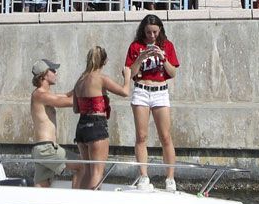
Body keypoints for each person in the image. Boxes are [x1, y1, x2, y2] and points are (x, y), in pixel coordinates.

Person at [126, 13, 180, 191]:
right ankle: (143, 175)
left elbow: (172, 73)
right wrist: (140, 58)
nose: (152, 36)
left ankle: (170, 178)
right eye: (148, 32)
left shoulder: (167, 45)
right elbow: (131, 73)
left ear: (160, 31)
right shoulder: (136, 46)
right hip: (141, 91)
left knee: (165, 136)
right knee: (141, 136)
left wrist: (163, 58)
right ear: (143, 31)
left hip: (160, 92)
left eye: (155, 32)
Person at [70, 45, 129, 190]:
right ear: (105, 61)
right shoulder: (101, 78)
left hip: (82, 127)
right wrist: (127, 76)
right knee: (97, 171)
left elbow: (76, 109)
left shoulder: (80, 81)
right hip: (97, 126)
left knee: (87, 170)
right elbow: (124, 92)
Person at [28, 58, 72, 188]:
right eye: (53, 70)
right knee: (81, 165)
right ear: (45, 74)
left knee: (42, 186)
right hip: (46, 149)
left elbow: (66, 95)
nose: (56, 73)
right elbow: (66, 102)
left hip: (42, 148)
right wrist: (92, 97)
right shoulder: (40, 95)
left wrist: (84, 86)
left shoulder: (44, 94)